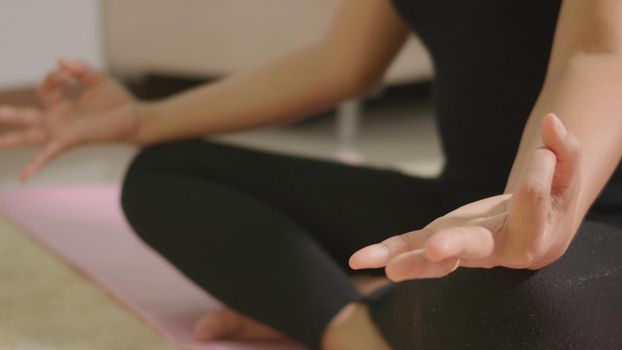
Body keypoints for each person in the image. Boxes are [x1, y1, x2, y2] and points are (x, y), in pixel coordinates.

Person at [1, 0, 621, 349]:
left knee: (515, 310)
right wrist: (141, 118)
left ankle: (346, 306)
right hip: (460, 212)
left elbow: (598, 52)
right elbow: (338, 64)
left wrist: (529, 212)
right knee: (166, 176)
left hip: (595, 224)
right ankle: (352, 322)